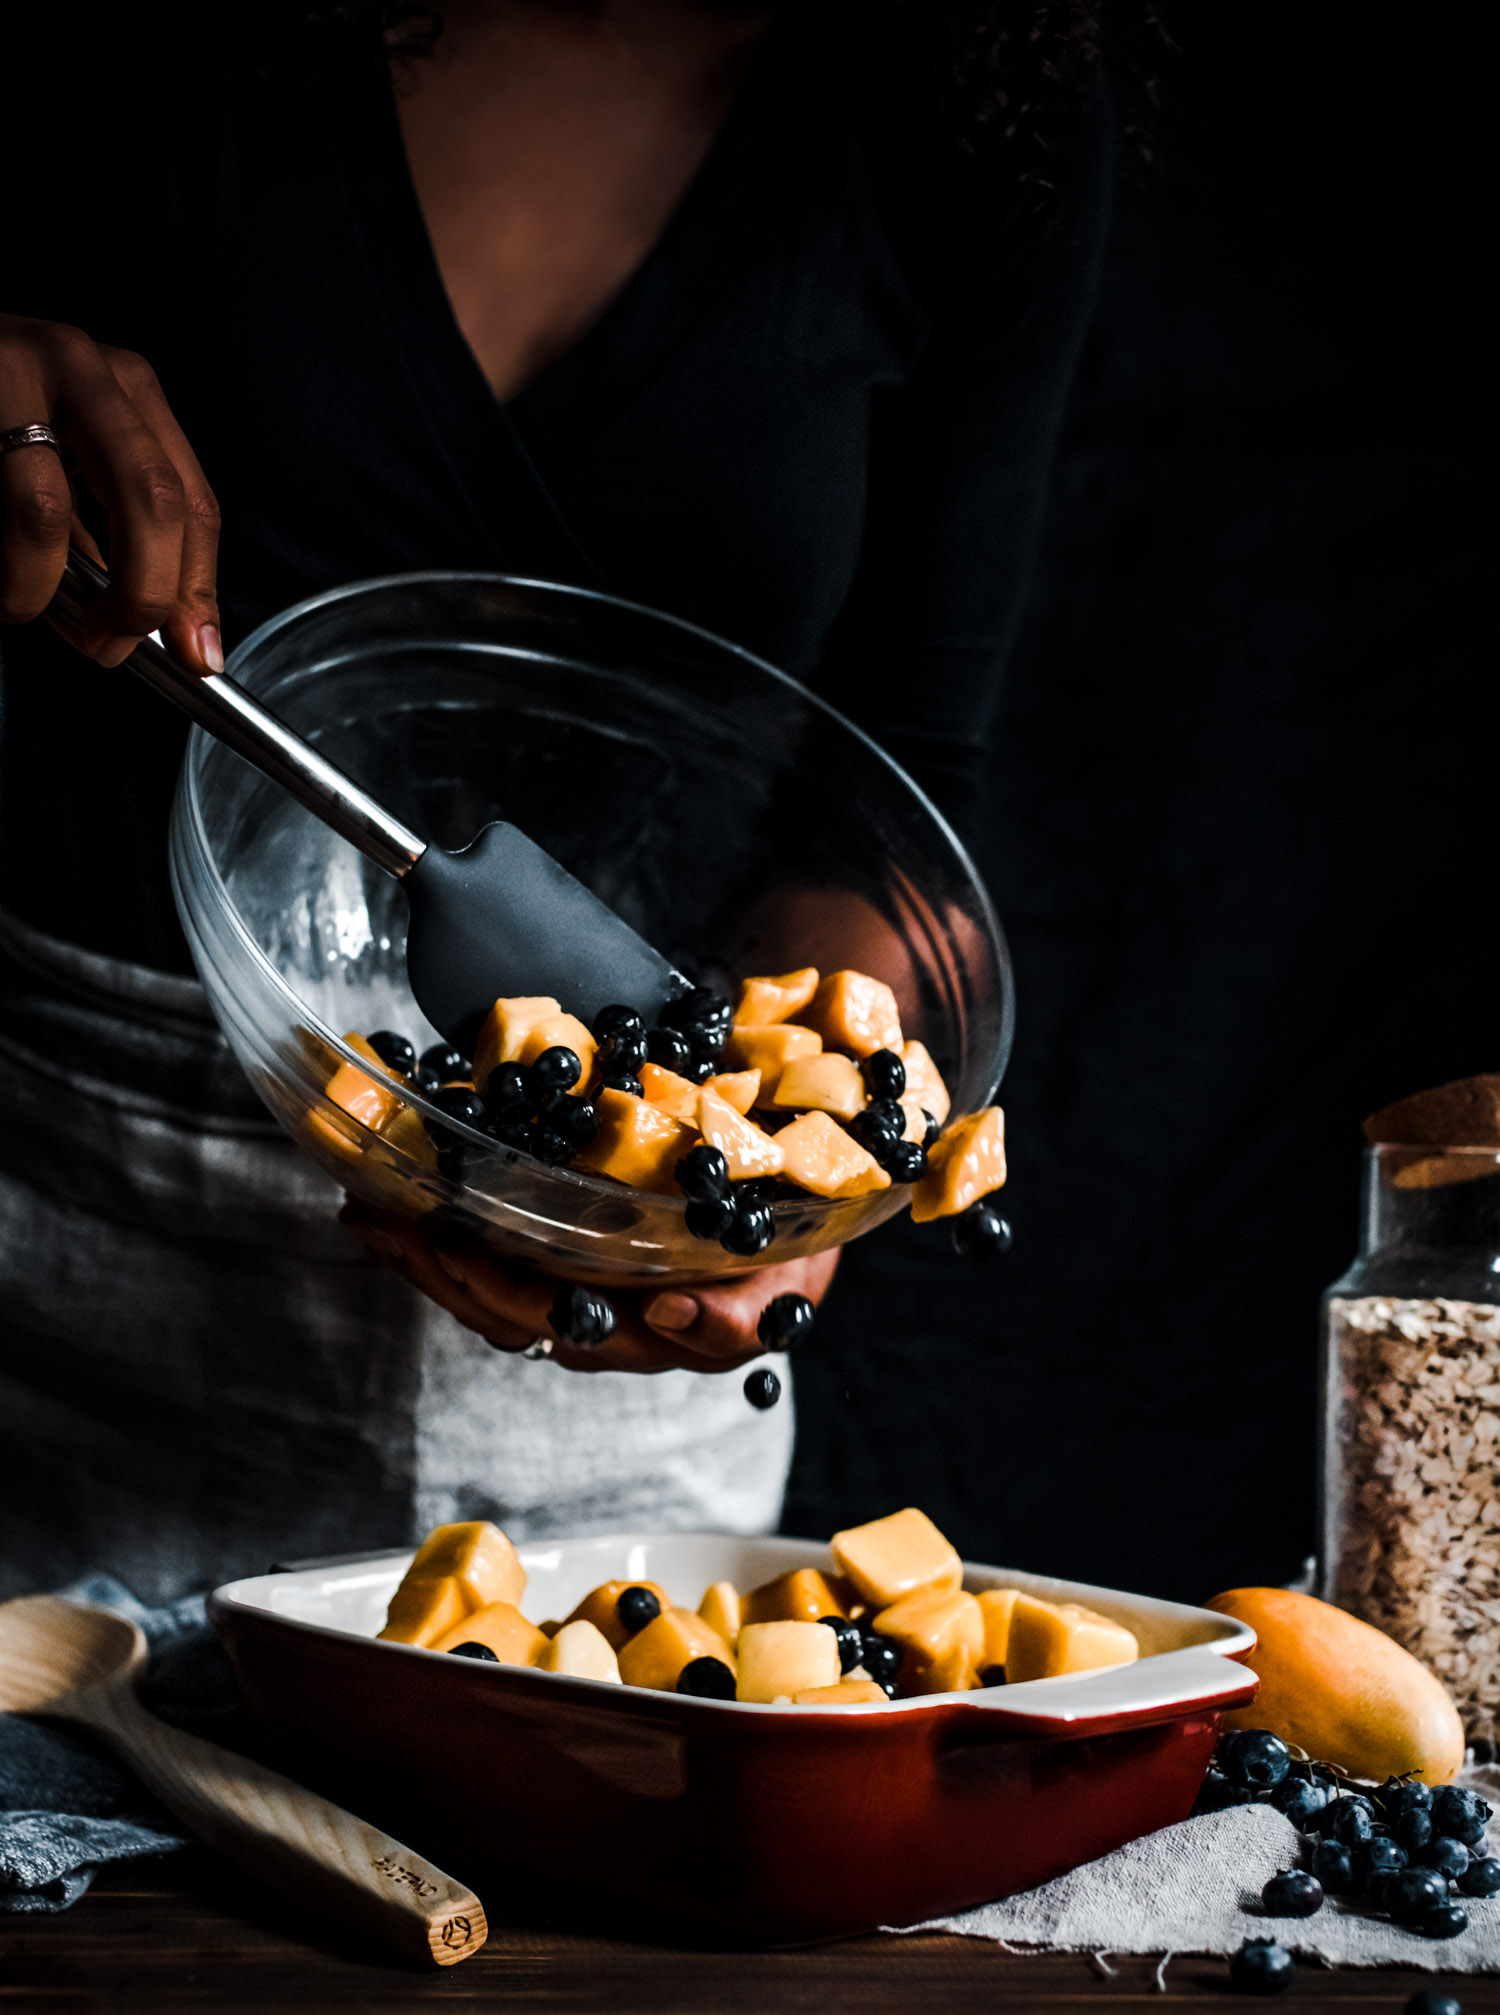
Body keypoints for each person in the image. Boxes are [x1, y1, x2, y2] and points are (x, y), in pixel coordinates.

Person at [0, 1, 1113, 1600]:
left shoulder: (979, 108)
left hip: (608, 1431)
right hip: (61, 1256)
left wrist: (788, 1170)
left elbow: (904, 763)